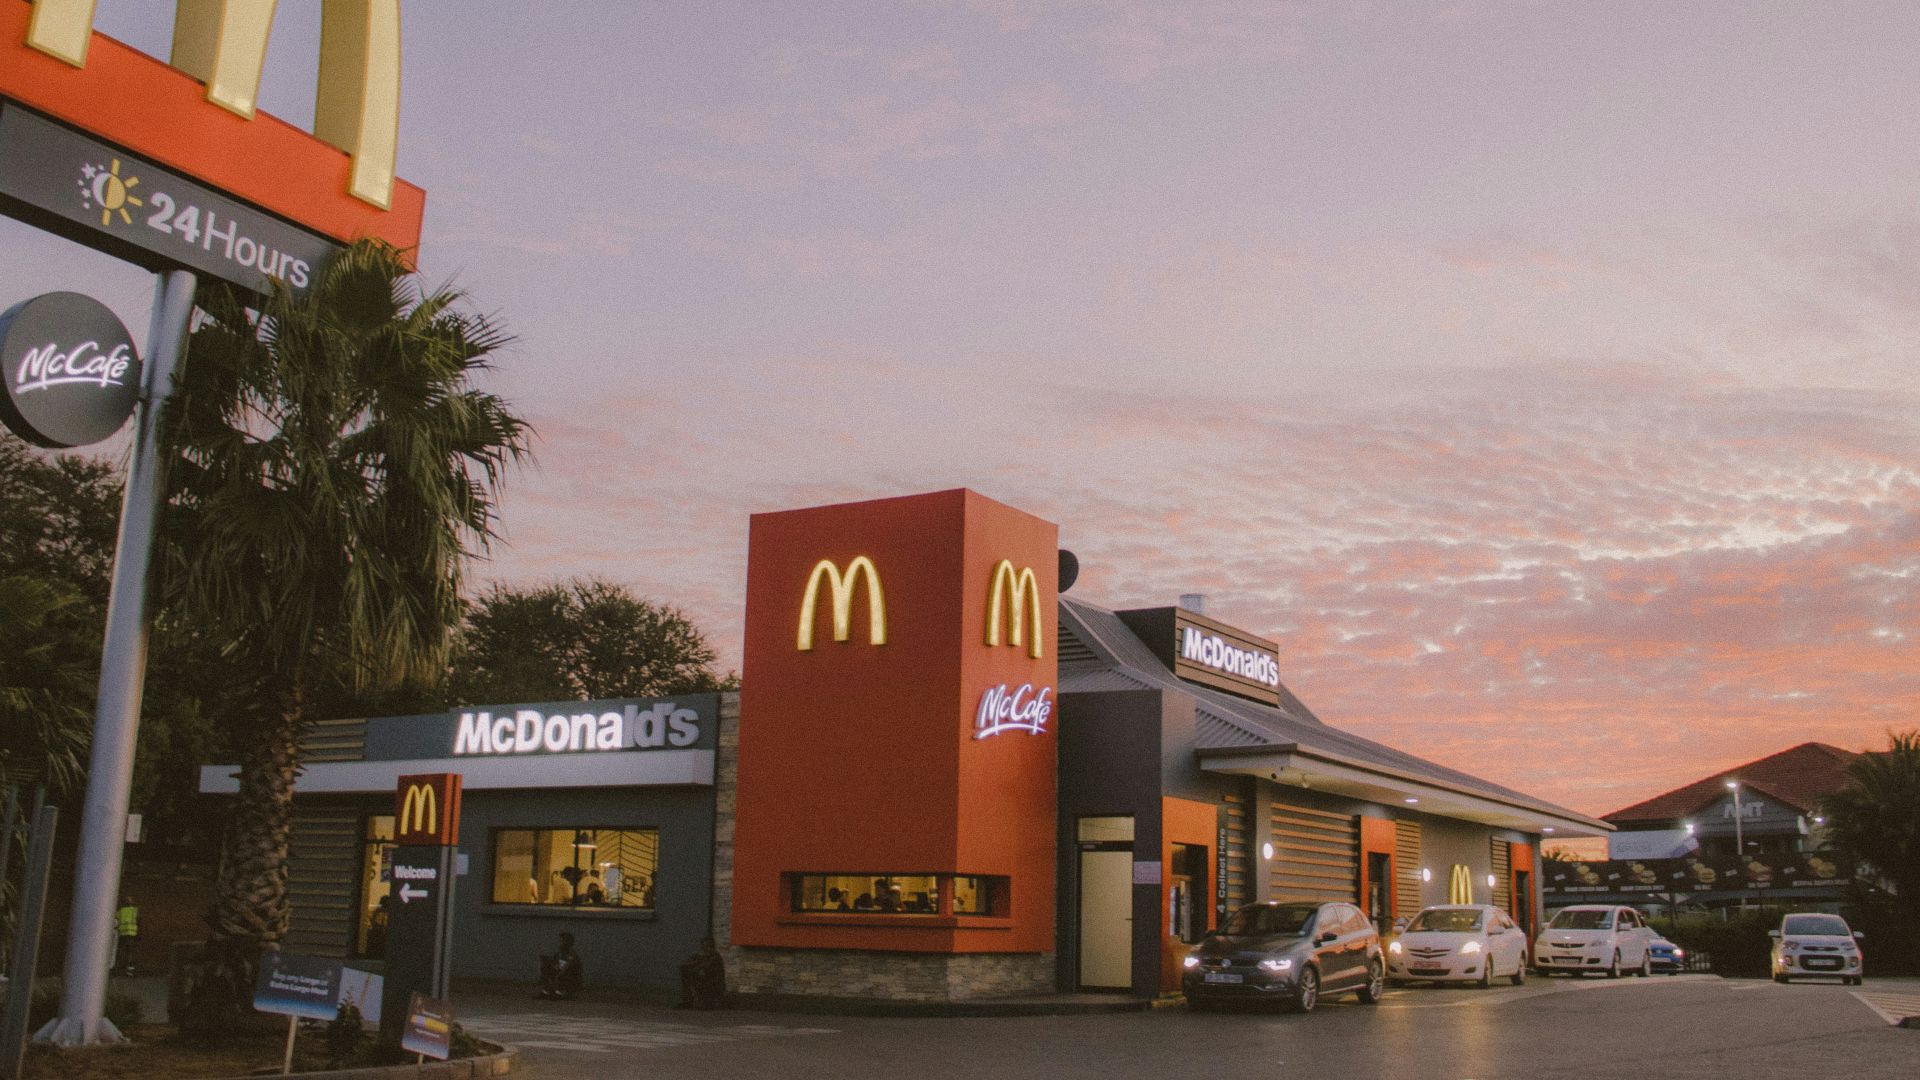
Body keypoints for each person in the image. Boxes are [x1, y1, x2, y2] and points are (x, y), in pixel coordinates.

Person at [677, 936, 728, 1010]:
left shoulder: (715, 957)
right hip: (702, 979)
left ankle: (703, 1003)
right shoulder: (699, 956)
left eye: (709, 946)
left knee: (698, 977)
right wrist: (687, 965)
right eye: (705, 946)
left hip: (713, 982)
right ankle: (688, 1001)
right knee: (686, 975)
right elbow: (688, 963)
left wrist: (696, 966)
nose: (706, 948)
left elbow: (706, 967)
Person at [536, 932, 584, 999]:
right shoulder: (559, 954)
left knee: (562, 974)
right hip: (561, 976)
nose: (560, 943)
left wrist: (556, 974)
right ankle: (546, 991)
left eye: (562, 941)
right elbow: (556, 965)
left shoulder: (572, 955)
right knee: (546, 968)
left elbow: (566, 967)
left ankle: (561, 992)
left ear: (568, 943)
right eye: (560, 941)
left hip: (571, 979)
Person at [113, 895, 139, 975]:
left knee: (120, 951)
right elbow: (138, 921)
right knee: (130, 952)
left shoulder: (120, 911)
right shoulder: (135, 910)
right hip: (132, 934)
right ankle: (129, 970)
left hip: (122, 934)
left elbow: (115, 921)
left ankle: (116, 968)